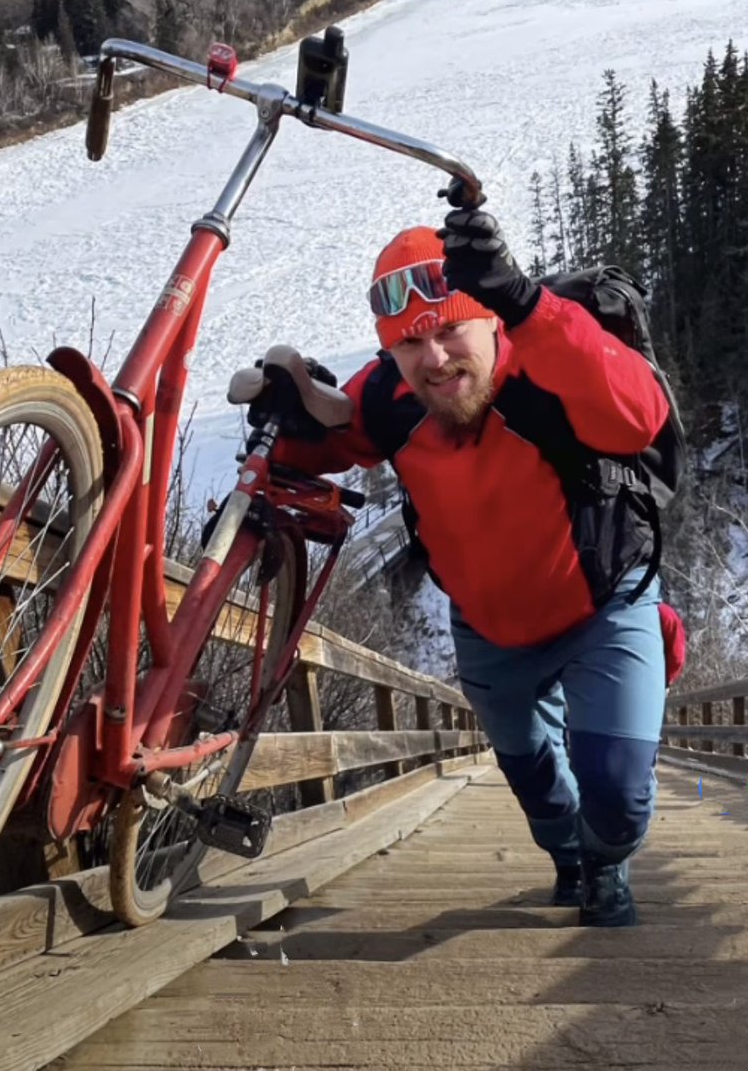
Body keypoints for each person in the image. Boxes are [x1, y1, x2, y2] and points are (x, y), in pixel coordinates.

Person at [248, 200, 673, 928]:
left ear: (492, 321)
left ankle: (607, 863)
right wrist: (286, 411)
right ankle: (571, 857)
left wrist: (530, 304)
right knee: (538, 786)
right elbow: (331, 436)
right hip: (490, 629)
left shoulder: (549, 368)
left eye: (451, 331)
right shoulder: (390, 396)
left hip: (604, 604)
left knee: (618, 789)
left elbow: (639, 416)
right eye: (411, 344)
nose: (436, 360)